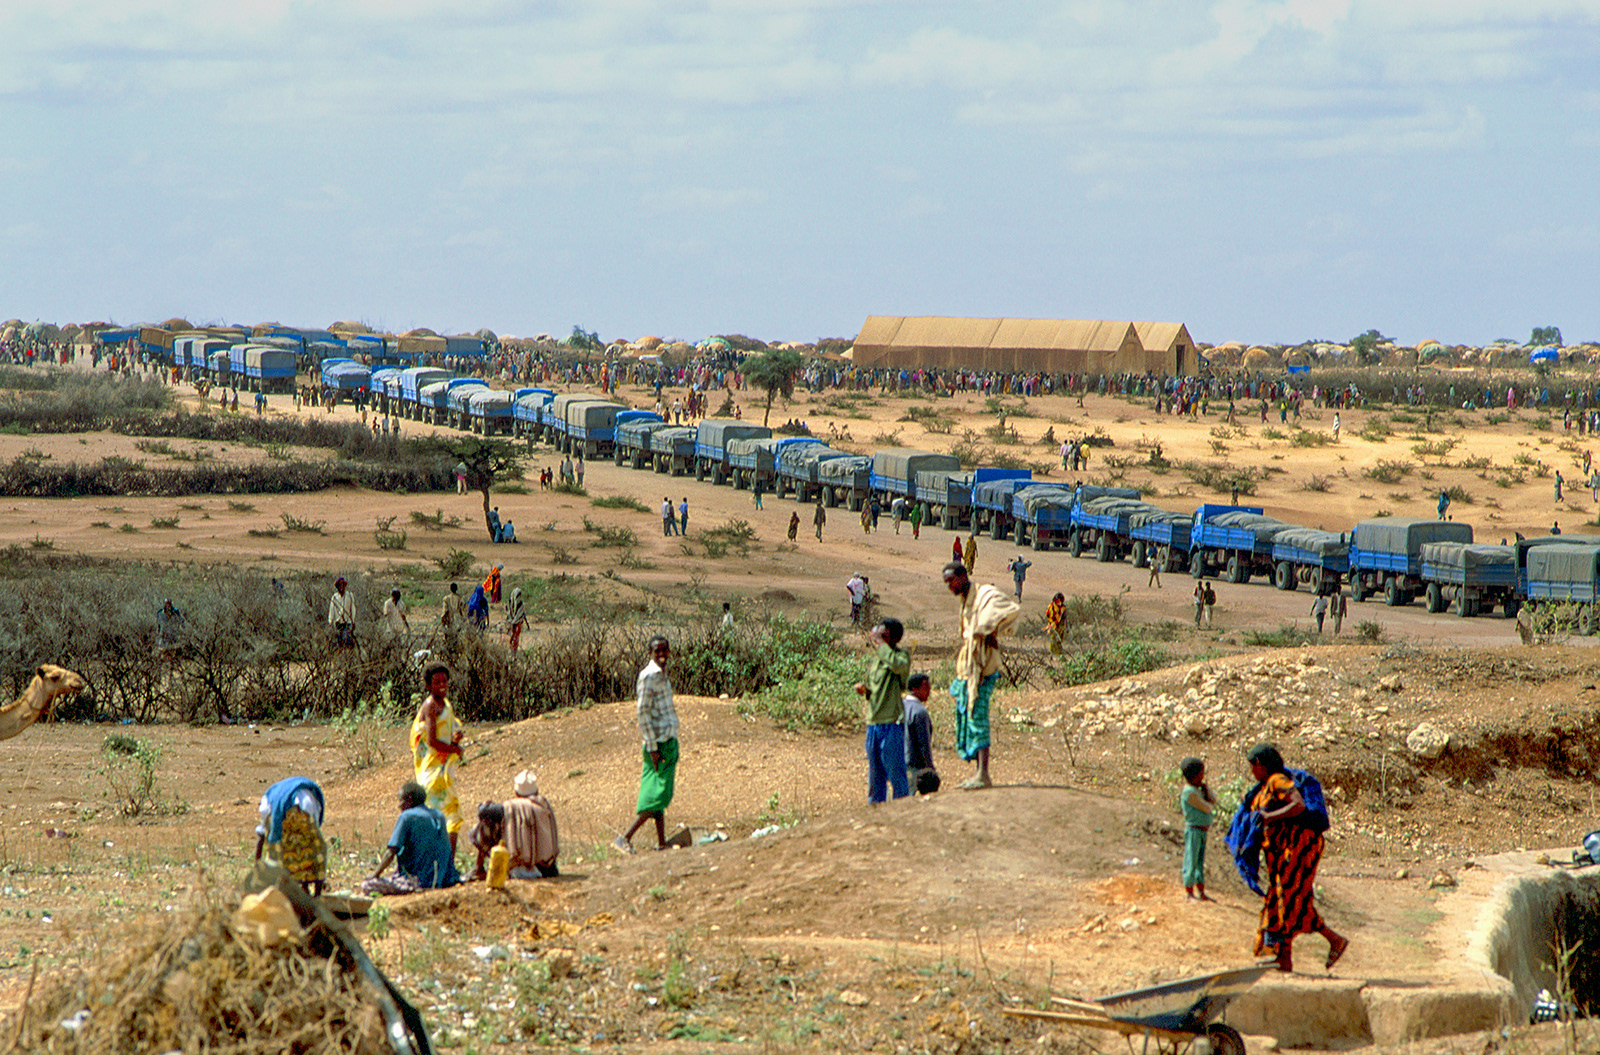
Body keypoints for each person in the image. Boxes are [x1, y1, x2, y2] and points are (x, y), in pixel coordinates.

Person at [1228, 743, 1348, 973]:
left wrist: (1269, 817)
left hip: (1298, 847)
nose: (1252, 772)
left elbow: (1298, 805)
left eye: (1252, 767)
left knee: (1287, 898)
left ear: (1260, 765)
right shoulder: (1262, 788)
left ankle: (1286, 954)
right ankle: (1294, 955)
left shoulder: (1277, 781)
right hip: (1282, 851)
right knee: (1289, 900)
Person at [943, 561, 1020, 790]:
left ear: (963, 576)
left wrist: (988, 629)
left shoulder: (984, 593)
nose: (949, 586)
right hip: (968, 666)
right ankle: (978, 772)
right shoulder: (965, 600)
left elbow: (1010, 609)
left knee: (978, 715)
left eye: (951, 581)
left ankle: (983, 774)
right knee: (967, 713)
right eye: (946, 582)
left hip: (984, 667)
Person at [614, 636, 679, 853]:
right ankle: (624, 837)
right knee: (656, 795)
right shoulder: (649, 676)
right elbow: (642, 713)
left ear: (669, 652)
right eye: (657, 651)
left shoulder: (661, 676)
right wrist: (652, 747)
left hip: (666, 742)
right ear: (650, 653)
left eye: (664, 650)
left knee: (658, 793)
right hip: (658, 744)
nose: (661, 655)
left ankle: (662, 843)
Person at [363, 781, 461, 894]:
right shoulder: (439, 815)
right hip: (444, 879)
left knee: (367, 885)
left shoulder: (407, 817)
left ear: (409, 799)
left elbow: (390, 853)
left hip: (421, 882)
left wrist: (374, 874)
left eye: (400, 800)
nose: (399, 805)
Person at [853, 618, 911, 803]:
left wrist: (881, 644)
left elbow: (898, 667)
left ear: (893, 637)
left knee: (896, 772)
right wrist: (867, 691)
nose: (879, 637)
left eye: (884, 634)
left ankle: (902, 809)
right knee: (875, 775)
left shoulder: (901, 656)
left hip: (892, 723)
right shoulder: (879, 659)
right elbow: (879, 689)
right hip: (874, 723)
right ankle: (875, 812)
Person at [411, 663, 465, 854]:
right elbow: (433, 741)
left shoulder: (445, 704)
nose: (442, 685)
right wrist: (454, 749)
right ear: (428, 686)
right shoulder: (430, 706)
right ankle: (438, 863)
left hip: (443, 770)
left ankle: (447, 864)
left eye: (444, 680)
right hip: (432, 772)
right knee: (439, 818)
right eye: (436, 682)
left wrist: (456, 737)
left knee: (452, 816)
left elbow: (449, 729)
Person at [255, 776, 327, 896]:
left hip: (301, 803)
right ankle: (315, 896)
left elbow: (261, 836)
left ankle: (289, 890)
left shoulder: (268, 799)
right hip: (306, 804)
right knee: (315, 850)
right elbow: (314, 838)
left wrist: (257, 868)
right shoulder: (311, 800)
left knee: (281, 852)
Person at [503, 770, 560, 877]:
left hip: (522, 866)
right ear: (537, 791)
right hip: (548, 868)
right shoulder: (544, 806)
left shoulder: (511, 807)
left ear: (516, 793)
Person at [1178, 757, 1215, 900]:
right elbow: (1207, 808)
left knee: (1199, 862)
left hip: (1202, 831)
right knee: (1191, 860)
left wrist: (1207, 791)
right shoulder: (1189, 793)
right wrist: (1207, 797)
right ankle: (1189, 891)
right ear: (1193, 776)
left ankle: (1201, 891)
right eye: (1201, 774)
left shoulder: (1197, 790)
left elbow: (1213, 799)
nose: (1203, 777)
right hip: (1193, 830)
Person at [903, 673, 939, 794]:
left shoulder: (900, 707)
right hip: (914, 764)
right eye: (925, 688)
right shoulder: (919, 712)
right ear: (914, 689)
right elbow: (924, 743)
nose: (929, 691)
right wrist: (930, 767)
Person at [328, 576, 356, 648]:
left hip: (347, 622)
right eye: (339, 586)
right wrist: (330, 621)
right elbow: (332, 610)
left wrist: (353, 621)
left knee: (346, 639)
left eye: (342, 585)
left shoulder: (349, 595)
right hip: (338, 623)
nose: (341, 587)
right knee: (339, 642)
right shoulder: (334, 597)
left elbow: (353, 609)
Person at [440, 582, 465, 647]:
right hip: (458, 620)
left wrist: (443, 620)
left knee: (448, 637)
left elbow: (444, 611)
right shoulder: (459, 598)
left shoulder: (446, 598)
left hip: (450, 619)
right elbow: (462, 611)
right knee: (456, 637)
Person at [506, 587, 527, 652]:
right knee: (510, 636)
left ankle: (514, 650)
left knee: (516, 636)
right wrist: (511, 621)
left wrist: (514, 621)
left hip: (518, 622)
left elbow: (521, 614)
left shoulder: (521, 604)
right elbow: (508, 612)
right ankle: (511, 648)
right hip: (511, 621)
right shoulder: (509, 603)